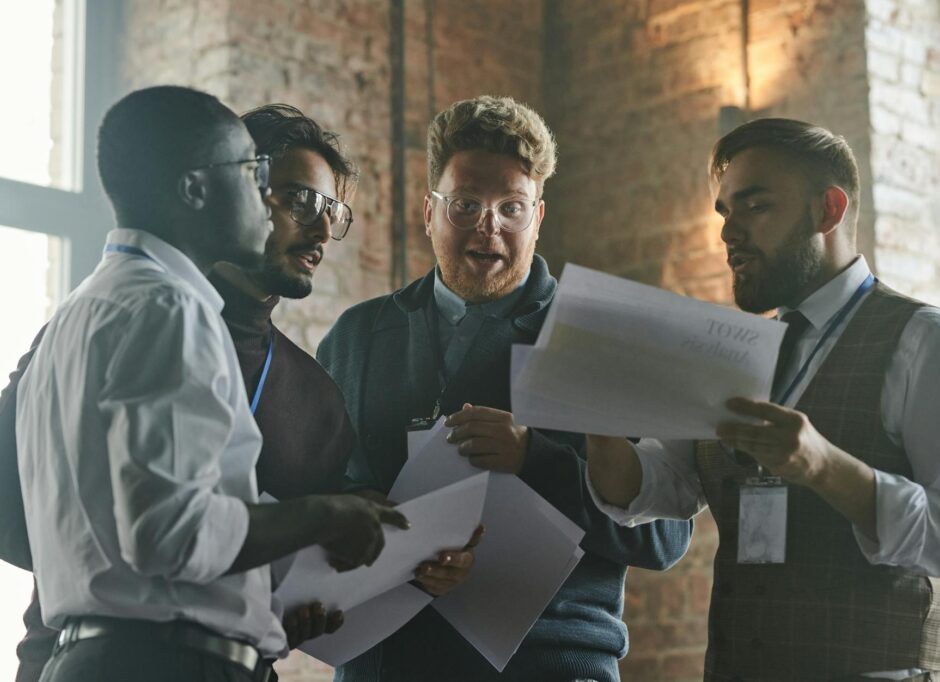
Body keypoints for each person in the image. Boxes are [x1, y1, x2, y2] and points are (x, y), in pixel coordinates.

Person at [585, 117, 940, 680]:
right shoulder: (732, 352)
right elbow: (657, 486)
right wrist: (591, 407)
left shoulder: (926, 341)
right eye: (725, 213)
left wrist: (823, 465)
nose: (728, 234)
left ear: (828, 210)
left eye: (754, 208)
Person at [13, 86, 407, 682]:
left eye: (333, 212)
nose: (320, 230)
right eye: (272, 187)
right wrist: (326, 515)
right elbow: (170, 534)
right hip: (160, 661)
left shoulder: (86, 305)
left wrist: (272, 601)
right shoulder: (171, 308)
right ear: (197, 188)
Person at [317, 95, 692, 682]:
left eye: (511, 208)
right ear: (428, 211)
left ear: (538, 218)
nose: (489, 226)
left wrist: (533, 460)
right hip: (383, 666)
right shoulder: (356, 338)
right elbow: (315, 498)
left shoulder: (602, 339)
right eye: (466, 204)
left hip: (551, 667)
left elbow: (666, 538)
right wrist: (384, 533)